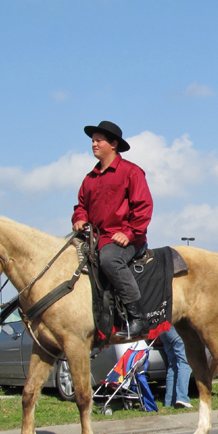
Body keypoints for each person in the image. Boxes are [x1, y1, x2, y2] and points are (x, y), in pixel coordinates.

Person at [72, 121, 154, 337]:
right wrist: (80, 218)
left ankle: (138, 318)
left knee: (109, 259)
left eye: (99, 140)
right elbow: (81, 206)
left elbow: (143, 206)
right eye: (92, 141)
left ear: (113, 144)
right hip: (95, 239)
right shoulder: (89, 179)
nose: (94, 144)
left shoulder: (132, 172)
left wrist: (128, 233)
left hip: (125, 240)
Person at [160, 327, 192, 408]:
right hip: (175, 327)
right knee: (184, 363)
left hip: (163, 329)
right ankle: (182, 398)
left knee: (173, 365)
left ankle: (169, 401)